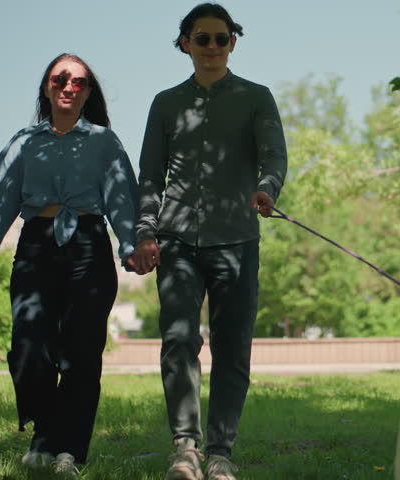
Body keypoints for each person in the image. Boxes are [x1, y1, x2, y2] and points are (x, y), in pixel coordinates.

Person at [0, 53, 139, 476]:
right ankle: (44, 432)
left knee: (81, 353)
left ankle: (69, 452)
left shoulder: (105, 142)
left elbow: (122, 199)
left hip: (89, 246)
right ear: (46, 87)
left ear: (88, 92)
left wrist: (132, 246)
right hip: (37, 247)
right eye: (60, 79)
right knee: (29, 348)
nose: (68, 87)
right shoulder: (23, 143)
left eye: (79, 82)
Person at [130, 4, 287, 479]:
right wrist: (145, 231)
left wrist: (267, 188)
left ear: (233, 43)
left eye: (221, 38)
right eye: (203, 38)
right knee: (179, 341)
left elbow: (274, 156)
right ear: (186, 43)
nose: (212, 47)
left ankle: (220, 453)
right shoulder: (165, 103)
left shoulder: (256, 97)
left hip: (237, 240)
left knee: (232, 348)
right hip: (177, 241)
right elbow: (150, 176)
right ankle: (185, 449)